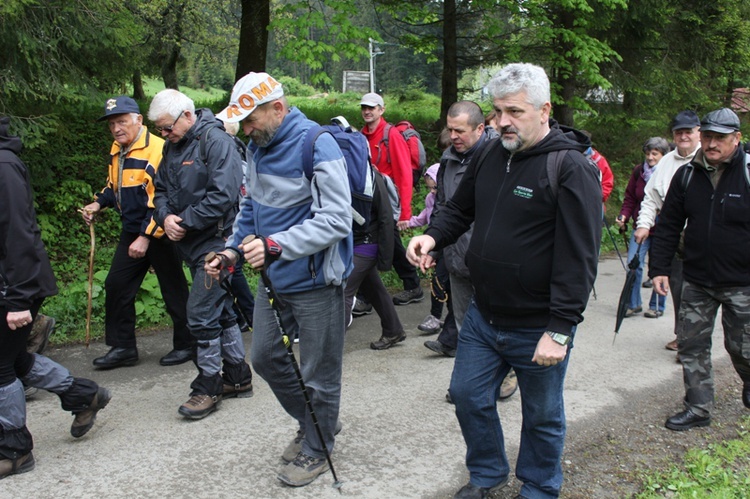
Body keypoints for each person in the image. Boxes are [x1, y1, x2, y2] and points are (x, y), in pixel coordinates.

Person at [407, 63, 601, 499]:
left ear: (544, 109)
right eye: (497, 111)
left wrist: (561, 328)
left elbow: (581, 256)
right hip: (484, 314)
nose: (502, 122)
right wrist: (432, 237)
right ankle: (488, 474)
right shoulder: (491, 154)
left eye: (514, 110)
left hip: (538, 324)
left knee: (542, 415)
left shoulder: (570, 168)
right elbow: (459, 209)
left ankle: (539, 486)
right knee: (468, 396)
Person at [210, 72, 352, 487]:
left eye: (251, 120)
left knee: (318, 374)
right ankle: (318, 425)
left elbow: (337, 219)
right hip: (272, 279)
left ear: (278, 108)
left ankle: (316, 445)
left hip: (316, 281)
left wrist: (276, 246)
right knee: (266, 358)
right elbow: (251, 206)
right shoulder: (257, 147)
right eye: (243, 123)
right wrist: (233, 249)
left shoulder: (317, 144)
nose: (247, 130)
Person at [1, 116, 111, 479]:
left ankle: (14, 450)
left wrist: (18, 299)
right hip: (10, 284)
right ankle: (83, 395)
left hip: (15, 287)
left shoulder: (3, 166)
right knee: (13, 360)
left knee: (1, 367)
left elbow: (19, 232)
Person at [149, 89, 253, 420]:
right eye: (160, 130)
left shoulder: (216, 142)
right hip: (190, 243)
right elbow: (161, 189)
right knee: (219, 310)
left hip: (218, 243)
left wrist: (185, 221)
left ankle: (208, 384)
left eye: (167, 128)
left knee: (199, 313)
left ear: (188, 116)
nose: (164, 135)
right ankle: (237, 377)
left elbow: (223, 196)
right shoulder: (172, 145)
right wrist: (165, 218)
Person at [650, 108, 750, 430]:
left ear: (737, 139)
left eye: (719, 137)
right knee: (691, 346)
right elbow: (667, 225)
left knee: (741, 347)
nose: (711, 143)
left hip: (742, 282)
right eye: (707, 136)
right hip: (696, 279)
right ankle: (698, 407)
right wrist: (659, 268)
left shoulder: (747, 172)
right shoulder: (687, 175)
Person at [81, 96, 192, 369]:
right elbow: (114, 186)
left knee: (173, 289)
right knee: (116, 285)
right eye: (112, 124)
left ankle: (187, 344)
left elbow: (164, 199)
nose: (116, 129)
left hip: (160, 233)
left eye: (122, 121)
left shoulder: (158, 149)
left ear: (138, 120)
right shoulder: (118, 148)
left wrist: (146, 237)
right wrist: (98, 202)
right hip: (132, 230)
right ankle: (123, 348)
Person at [635, 110, 702, 351]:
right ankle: (683, 335)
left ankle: (693, 341)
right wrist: (643, 224)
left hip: (702, 239)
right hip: (673, 238)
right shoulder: (666, 162)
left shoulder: (707, 159)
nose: (684, 136)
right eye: (679, 132)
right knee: (677, 289)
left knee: (697, 293)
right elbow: (650, 198)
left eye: (688, 131)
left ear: (698, 133)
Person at [360, 92, 424, 307]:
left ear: (381, 110)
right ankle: (369, 294)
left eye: (372, 107)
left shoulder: (391, 135)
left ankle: (412, 286)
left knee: (391, 243)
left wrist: (405, 213)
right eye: (364, 108)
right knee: (371, 243)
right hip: (370, 201)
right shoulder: (362, 135)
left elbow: (404, 173)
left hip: (386, 202)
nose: (367, 111)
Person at [615, 137, 671, 318]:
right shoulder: (639, 172)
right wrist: (624, 215)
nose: (650, 157)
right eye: (648, 153)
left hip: (663, 230)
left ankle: (656, 306)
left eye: (655, 153)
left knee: (659, 266)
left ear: (664, 155)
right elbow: (630, 197)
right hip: (640, 227)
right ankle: (633, 304)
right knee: (633, 264)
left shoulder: (671, 173)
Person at [400, 164, 454, 339]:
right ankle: (435, 316)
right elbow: (425, 216)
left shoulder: (450, 199)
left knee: (449, 282)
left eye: (435, 188)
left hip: (449, 244)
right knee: (437, 280)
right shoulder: (431, 199)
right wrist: (409, 222)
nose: (432, 192)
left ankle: (454, 320)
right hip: (433, 244)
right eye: (430, 188)